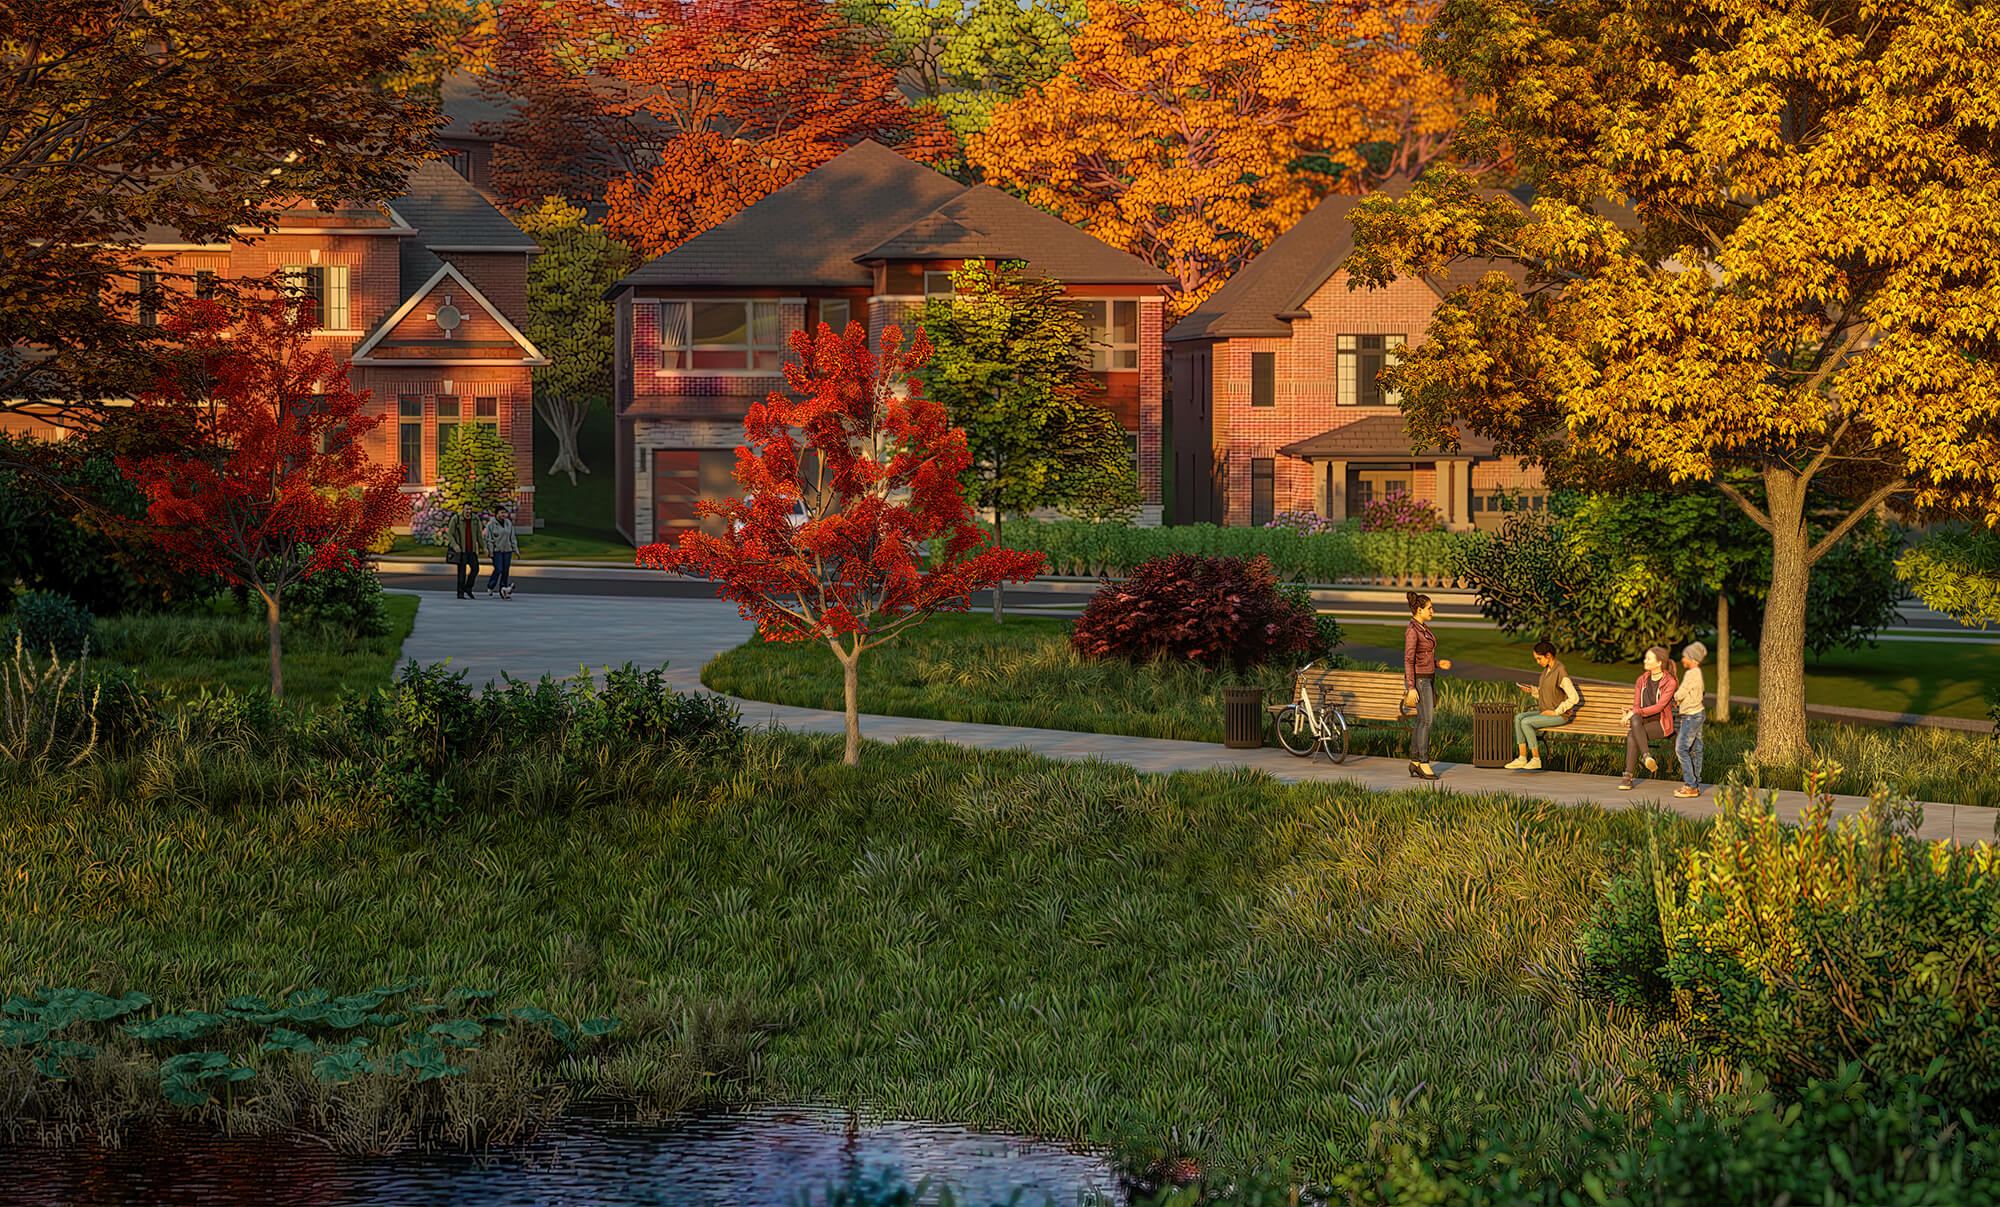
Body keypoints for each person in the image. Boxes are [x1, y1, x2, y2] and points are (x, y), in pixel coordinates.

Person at [1506, 640, 1580, 770]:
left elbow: (1574, 697)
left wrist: (1556, 712)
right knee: (1518, 718)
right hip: (1546, 711)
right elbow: (1546, 692)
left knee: (1526, 722)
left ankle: (1536, 759)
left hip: (1560, 715)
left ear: (1549, 655)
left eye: (1539, 658)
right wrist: (1532, 690)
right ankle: (1522, 758)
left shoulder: (1560, 671)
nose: (1538, 662)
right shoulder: (1547, 670)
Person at [1402, 590, 1452, 780]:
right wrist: (1411, 687)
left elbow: (1423, 656)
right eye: (1429, 608)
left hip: (1428, 678)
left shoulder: (1423, 628)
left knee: (1422, 722)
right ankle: (1423, 763)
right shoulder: (1413, 631)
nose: (1433, 611)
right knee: (1426, 722)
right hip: (1421, 682)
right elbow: (1408, 660)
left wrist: (1438, 664)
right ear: (1419, 610)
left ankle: (1415, 763)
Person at [1618, 645, 1679, 790]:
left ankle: (1627, 777)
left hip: (1661, 723)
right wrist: (1630, 712)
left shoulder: (1670, 682)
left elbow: (1659, 707)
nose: (1645, 661)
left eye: (1648, 658)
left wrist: (1635, 712)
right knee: (1635, 719)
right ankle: (1646, 756)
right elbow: (1636, 705)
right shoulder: (1642, 680)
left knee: (1632, 734)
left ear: (1659, 663)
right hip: (1643, 722)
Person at [1672, 641, 1708, 798]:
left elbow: (1681, 692)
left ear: (1692, 658)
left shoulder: (1691, 674)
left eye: (1685, 657)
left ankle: (1691, 785)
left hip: (1691, 716)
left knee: (1681, 749)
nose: (1682, 660)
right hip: (1698, 713)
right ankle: (1695, 784)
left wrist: (1675, 698)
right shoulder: (1698, 673)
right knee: (1695, 750)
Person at [446, 508, 484, 600]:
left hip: (472, 550)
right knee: (461, 573)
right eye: (467, 509)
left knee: (475, 569)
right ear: (463, 509)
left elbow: (479, 534)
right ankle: (460, 593)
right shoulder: (457, 519)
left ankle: (468, 588)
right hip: (461, 550)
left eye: (470, 509)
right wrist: (455, 545)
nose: (468, 511)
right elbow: (450, 534)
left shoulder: (475, 519)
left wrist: (484, 547)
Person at [484, 508, 519, 599]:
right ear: (496, 514)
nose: (504, 515)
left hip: (507, 550)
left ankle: (503, 589)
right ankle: (491, 586)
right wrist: (490, 551)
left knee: (505, 570)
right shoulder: (491, 524)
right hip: (497, 551)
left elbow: (512, 537)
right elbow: (489, 539)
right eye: (501, 513)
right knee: (499, 569)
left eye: (505, 513)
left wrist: (516, 550)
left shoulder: (508, 523)